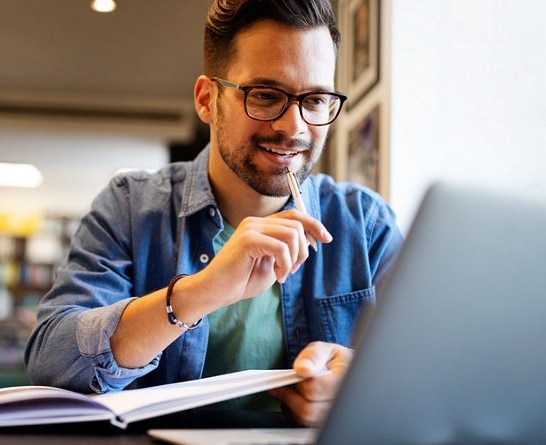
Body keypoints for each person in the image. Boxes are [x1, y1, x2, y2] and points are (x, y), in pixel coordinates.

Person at [25, 0, 403, 426]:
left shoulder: (367, 226)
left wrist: (359, 387)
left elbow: (430, 377)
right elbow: (51, 361)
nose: (294, 127)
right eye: (264, 95)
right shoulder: (130, 206)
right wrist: (198, 293)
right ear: (207, 100)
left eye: (315, 100)